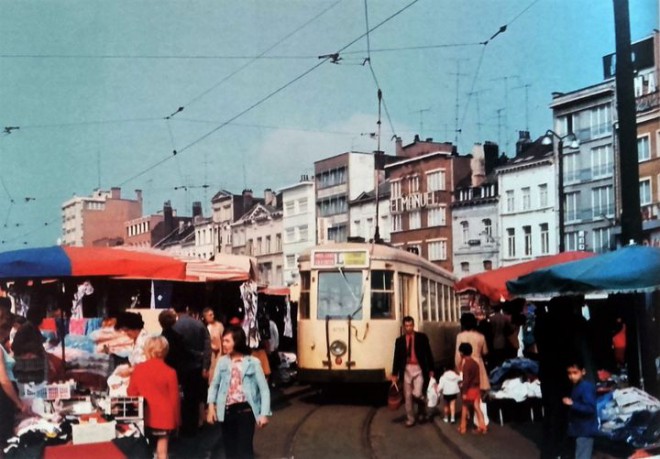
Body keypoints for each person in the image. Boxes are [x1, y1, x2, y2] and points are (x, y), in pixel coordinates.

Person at [207, 326, 271, 459]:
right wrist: (211, 407)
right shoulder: (222, 362)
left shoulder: (253, 362)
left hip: (245, 411)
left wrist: (263, 414)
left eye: (227, 341)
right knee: (230, 451)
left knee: (245, 451)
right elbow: (214, 385)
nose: (223, 344)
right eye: (223, 341)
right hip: (227, 410)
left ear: (237, 342)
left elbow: (264, 389)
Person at [127, 336, 180, 459]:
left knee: (146, 450)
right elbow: (174, 399)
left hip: (146, 415)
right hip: (165, 418)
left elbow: (131, 392)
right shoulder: (170, 372)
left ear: (147, 350)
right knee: (162, 452)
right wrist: (177, 421)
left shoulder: (138, 369)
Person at [172, 302, 211, 436]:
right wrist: (206, 365)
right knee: (195, 397)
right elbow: (207, 347)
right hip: (197, 367)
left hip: (180, 368)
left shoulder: (174, 327)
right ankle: (195, 425)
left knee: (182, 398)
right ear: (187, 308)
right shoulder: (199, 324)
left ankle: (184, 425)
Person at [390, 316, 434, 427]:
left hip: (419, 368)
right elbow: (397, 357)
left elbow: (428, 354)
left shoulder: (422, 337)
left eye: (410, 325)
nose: (409, 328)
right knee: (408, 396)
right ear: (404, 327)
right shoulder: (399, 341)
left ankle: (422, 403)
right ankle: (410, 418)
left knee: (417, 393)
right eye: (406, 326)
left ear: (413, 325)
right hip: (406, 369)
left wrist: (431, 369)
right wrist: (394, 373)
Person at [0, 309, 28, 451]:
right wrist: (19, 403)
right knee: (5, 439)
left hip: (6, 397)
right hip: (4, 397)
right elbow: (4, 380)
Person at [562, 360, 598, 459]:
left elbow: (590, 408)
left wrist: (572, 404)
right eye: (569, 373)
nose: (572, 376)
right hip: (578, 429)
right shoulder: (576, 386)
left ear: (583, 372)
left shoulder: (586, 387)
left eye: (575, 373)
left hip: (585, 430)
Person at [455, 313, 490, 392]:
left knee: (467, 389)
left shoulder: (460, 336)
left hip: (465, 363)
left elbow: (458, 355)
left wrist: (458, 368)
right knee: (478, 390)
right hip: (478, 363)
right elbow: (485, 352)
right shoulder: (481, 336)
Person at [457, 342, 487, 435]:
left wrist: (464, 392)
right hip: (476, 387)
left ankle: (463, 427)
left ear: (462, 353)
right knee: (477, 407)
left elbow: (466, 380)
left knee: (465, 407)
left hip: (469, 389)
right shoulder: (475, 363)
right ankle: (483, 426)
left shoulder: (466, 365)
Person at [203, 308, 224, 384]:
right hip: (211, 356)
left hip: (220, 354)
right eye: (210, 315)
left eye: (213, 314)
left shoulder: (220, 326)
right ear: (205, 317)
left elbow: (223, 339)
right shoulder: (206, 328)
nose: (213, 316)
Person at [489, 304, 513, 369]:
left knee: (496, 357)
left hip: (494, 339)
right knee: (502, 357)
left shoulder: (491, 318)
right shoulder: (504, 318)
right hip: (503, 339)